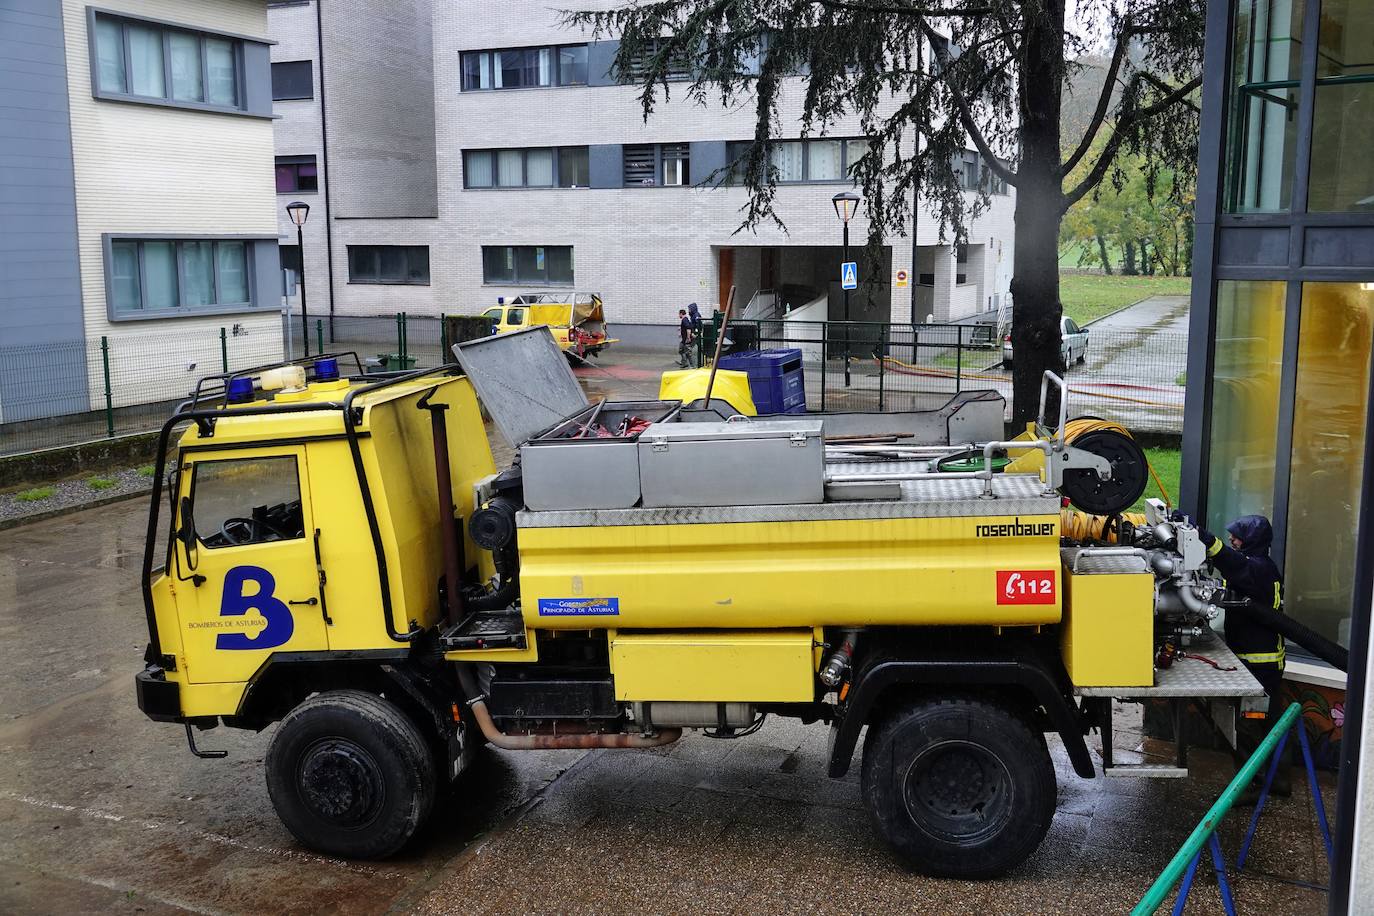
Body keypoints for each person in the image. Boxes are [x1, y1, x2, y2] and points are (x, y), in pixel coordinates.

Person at [1195, 514, 1291, 800]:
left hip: (1260, 665)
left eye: (1238, 537)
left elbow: (1230, 561)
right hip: (1266, 662)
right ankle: (1277, 780)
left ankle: (1250, 786)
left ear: (1251, 540)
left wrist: (1205, 538)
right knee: (1271, 722)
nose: (1234, 541)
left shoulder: (1256, 569)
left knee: (1247, 724)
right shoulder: (1261, 567)